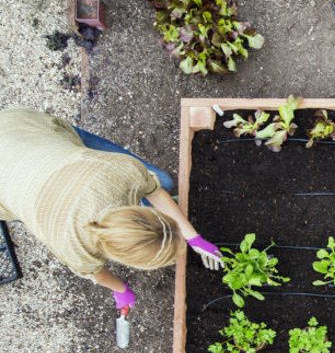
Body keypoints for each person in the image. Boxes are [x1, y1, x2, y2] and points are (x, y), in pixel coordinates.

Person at [0, 107, 222, 311]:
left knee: (161, 181)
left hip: (24, 132)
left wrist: (193, 238)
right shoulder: (73, 247)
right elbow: (96, 274)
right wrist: (120, 289)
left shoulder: (121, 171)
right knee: (23, 200)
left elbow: (154, 192)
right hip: (12, 161)